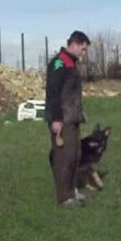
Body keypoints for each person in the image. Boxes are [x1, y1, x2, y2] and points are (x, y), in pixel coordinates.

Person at [45, 30, 91, 207]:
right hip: (62, 118)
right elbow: (53, 93)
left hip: (72, 117)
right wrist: (56, 119)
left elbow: (71, 93)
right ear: (75, 44)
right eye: (83, 49)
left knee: (75, 155)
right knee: (64, 157)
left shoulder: (71, 63)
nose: (83, 53)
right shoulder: (59, 63)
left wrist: (80, 112)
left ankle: (72, 191)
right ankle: (64, 197)